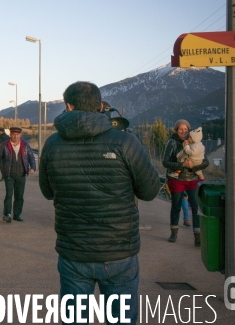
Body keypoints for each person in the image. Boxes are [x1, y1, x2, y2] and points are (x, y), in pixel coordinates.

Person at [39, 81, 160, 324]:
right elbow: (149, 191)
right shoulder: (125, 142)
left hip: (74, 251)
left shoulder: (52, 143)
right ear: (100, 106)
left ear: (68, 106)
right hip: (119, 252)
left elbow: (47, 191)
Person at [162, 120, 209, 245]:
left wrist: (192, 167)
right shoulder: (171, 143)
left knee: (196, 207)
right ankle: (174, 232)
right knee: (176, 206)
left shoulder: (196, 142)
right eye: (180, 129)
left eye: (185, 129)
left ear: (189, 129)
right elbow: (165, 162)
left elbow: (206, 162)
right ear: (176, 130)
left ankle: (198, 236)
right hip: (177, 179)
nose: (183, 131)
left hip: (193, 179)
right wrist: (182, 164)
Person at [0, 127, 36, 223]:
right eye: (13, 134)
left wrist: (33, 168)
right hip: (9, 174)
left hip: (21, 174)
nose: (15, 136)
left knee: (19, 196)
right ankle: (7, 214)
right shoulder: (4, 145)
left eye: (17, 135)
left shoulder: (25, 145)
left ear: (20, 135)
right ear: (10, 135)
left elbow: (31, 157)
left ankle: (17, 215)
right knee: (9, 194)